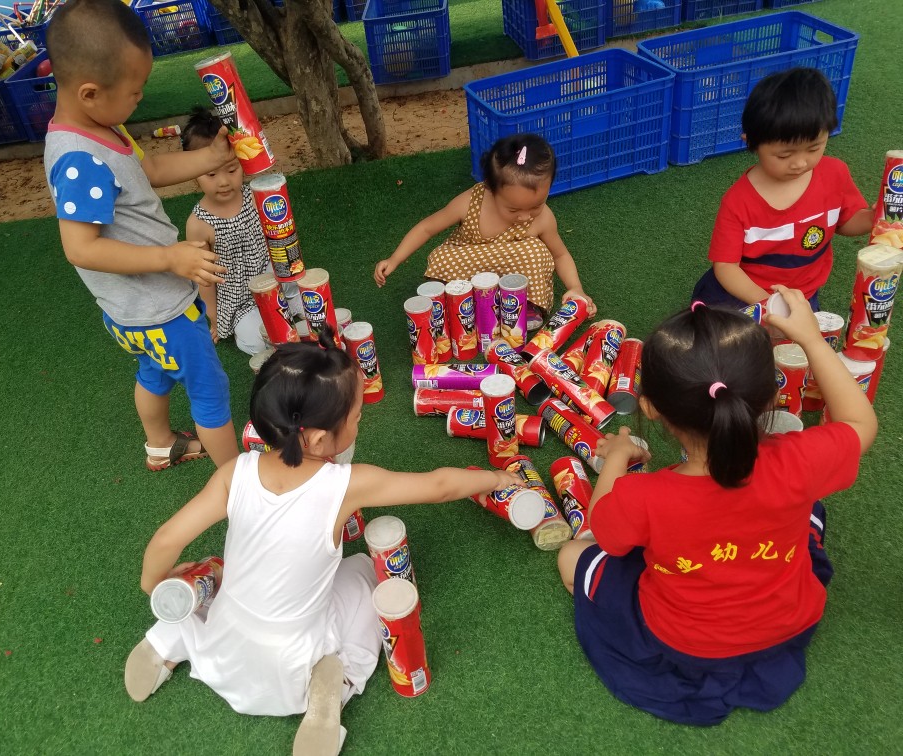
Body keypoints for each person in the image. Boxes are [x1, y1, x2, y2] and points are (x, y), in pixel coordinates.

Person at [124, 327, 520, 755]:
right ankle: (337, 681)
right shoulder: (346, 485)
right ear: (316, 438)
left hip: (223, 641)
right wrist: (496, 479)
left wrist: (153, 584)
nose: (360, 421)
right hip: (291, 662)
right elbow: (439, 486)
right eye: (356, 417)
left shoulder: (234, 472)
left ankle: (167, 640)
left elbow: (166, 538)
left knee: (211, 578)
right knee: (367, 573)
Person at [556, 289, 877, 726]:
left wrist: (616, 456)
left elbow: (602, 526)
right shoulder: (800, 462)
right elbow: (860, 422)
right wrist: (811, 340)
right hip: (789, 623)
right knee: (810, 506)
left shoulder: (644, 496)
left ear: (650, 408)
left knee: (573, 555)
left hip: (684, 644)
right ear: (771, 398)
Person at [43, 0, 239, 469]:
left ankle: (160, 444)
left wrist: (211, 158)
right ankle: (238, 482)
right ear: (90, 92)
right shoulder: (80, 159)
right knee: (209, 389)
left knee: (155, 371)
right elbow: (80, 248)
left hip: (134, 314)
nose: (140, 98)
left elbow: (149, 170)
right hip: (159, 309)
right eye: (134, 91)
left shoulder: (104, 127)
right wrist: (169, 258)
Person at [692, 67, 874, 311]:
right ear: (751, 142)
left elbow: (846, 221)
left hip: (801, 296)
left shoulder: (835, 174)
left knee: (803, 336)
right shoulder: (738, 201)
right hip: (743, 295)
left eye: (814, 148)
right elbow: (726, 267)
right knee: (724, 335)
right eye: (784, 155)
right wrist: (769, 305)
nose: (800, 163)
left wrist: (873, 218)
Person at [373, 133, 595, 327]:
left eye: (536, 205)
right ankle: (460, 302)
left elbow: (560, 255)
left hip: (513, 274)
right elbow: (426, 228)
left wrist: (576, 288)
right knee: (441, 257)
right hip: (470, 263)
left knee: (537, 253)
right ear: (490, 188)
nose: (525, 216)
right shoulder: (470, 202)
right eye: (513, 209)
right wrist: (395, 259)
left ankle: (524, 305)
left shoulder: (543, 217)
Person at [182, 108, 272, 355]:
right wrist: (213, 318)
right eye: (211, 174)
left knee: (303, 296)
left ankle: (287, 305)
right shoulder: (198, 224)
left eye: (232, 170)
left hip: (269, 277)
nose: (223, 181)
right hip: (237, 298)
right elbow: (205, 277)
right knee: (256, 341)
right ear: (193, 174)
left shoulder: (254, 196)